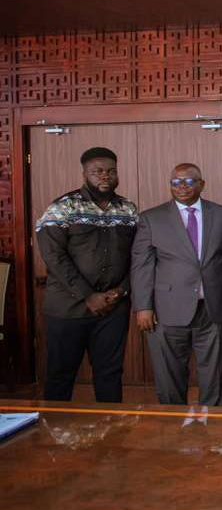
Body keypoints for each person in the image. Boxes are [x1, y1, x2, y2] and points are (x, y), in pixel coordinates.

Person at [35, 147, 138, 402]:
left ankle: (111, 426)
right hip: (68, 308)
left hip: (114, 308)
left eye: (111, 171)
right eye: (97, 171)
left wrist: (122, 290)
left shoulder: (128, 209)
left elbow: (138, 256)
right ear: (85, 174)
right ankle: (54, 426)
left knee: (110, 374)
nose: (105, 176)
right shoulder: (63, 207)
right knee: (60, 375)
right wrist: (88, 295)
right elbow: (54, 257)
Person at [131, 163, 222, 406]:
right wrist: (143, 307)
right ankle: (173, 422)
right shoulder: (151, 218)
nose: (182, 187)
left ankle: (212, 422)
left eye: (189, 181)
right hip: (167, 310)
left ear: (202, 184)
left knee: (213, 374)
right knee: (169, 375)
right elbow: (142, 266)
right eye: (176, 182)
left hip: (212, 307)